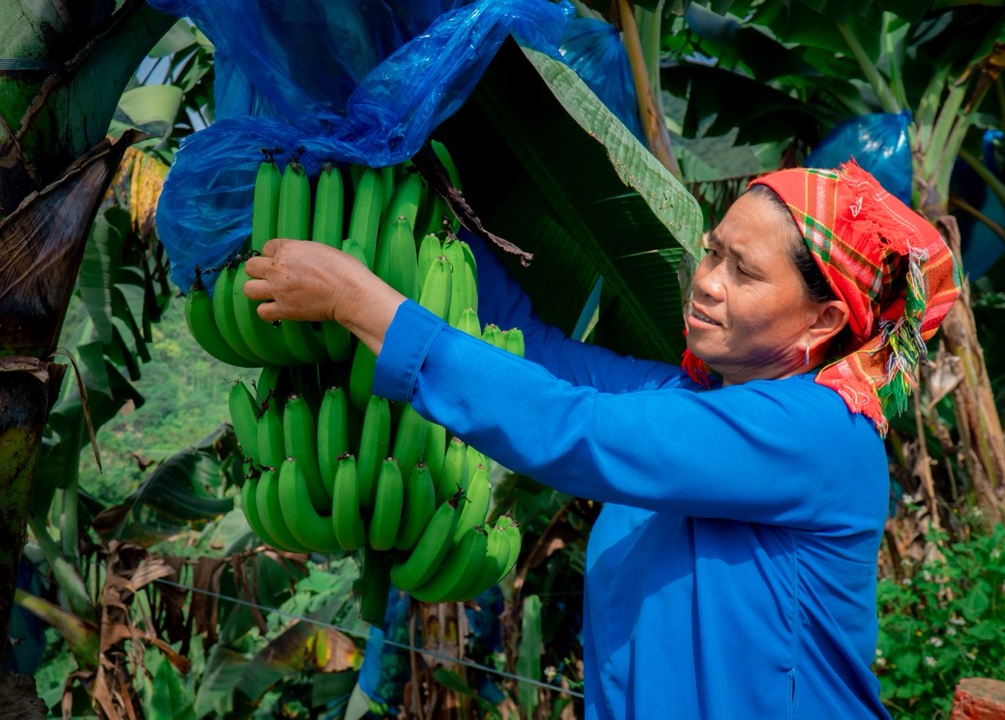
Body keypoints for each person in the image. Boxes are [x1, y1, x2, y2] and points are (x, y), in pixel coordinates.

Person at [242, 160, 961, 719]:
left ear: (822, 322)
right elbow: (530, 353)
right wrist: (416, 198)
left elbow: (575, 429)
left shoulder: (821, 435)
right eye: (712, 253)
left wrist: (360, 303)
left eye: (742, 271)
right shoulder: (683, 399)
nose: (706, 283)